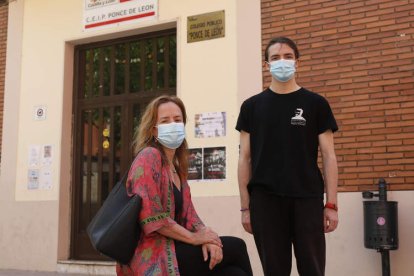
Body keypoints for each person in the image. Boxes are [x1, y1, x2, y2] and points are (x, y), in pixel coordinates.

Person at [236, 37, 339, 276]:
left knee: (312, 270)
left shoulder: (316, 104)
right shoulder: (251, 107)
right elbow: (245, 159)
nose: (282, 62)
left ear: (297, 62)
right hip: (265, 202)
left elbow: (329, 156)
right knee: (274, 270)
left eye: (288, 57)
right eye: (275, 58)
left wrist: (331, 204)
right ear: (267, 64)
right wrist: (245, 208)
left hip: (307, 199)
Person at [117, 95, 253, 276]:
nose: (173, 124)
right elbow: (152, 217)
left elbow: (192, 218)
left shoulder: (177, 170)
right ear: (154, 130)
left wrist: (209, 239)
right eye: (165, 121)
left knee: (234, 273)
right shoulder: (148, 157)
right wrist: (195, 238)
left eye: (177, 119)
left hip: (177, 249)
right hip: (153, 256)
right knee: (237, 246)